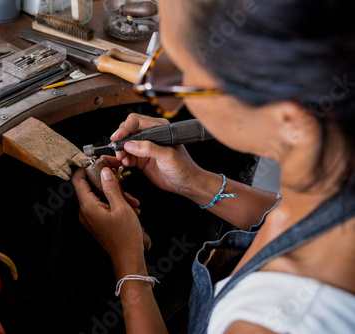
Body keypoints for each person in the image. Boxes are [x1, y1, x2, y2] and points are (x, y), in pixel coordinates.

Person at [72, 0, 355, 333]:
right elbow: (294, 221)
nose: (170, 96)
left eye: (182, 74)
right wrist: (194, 182)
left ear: (288, 119)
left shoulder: (274, 322)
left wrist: (129, 263)